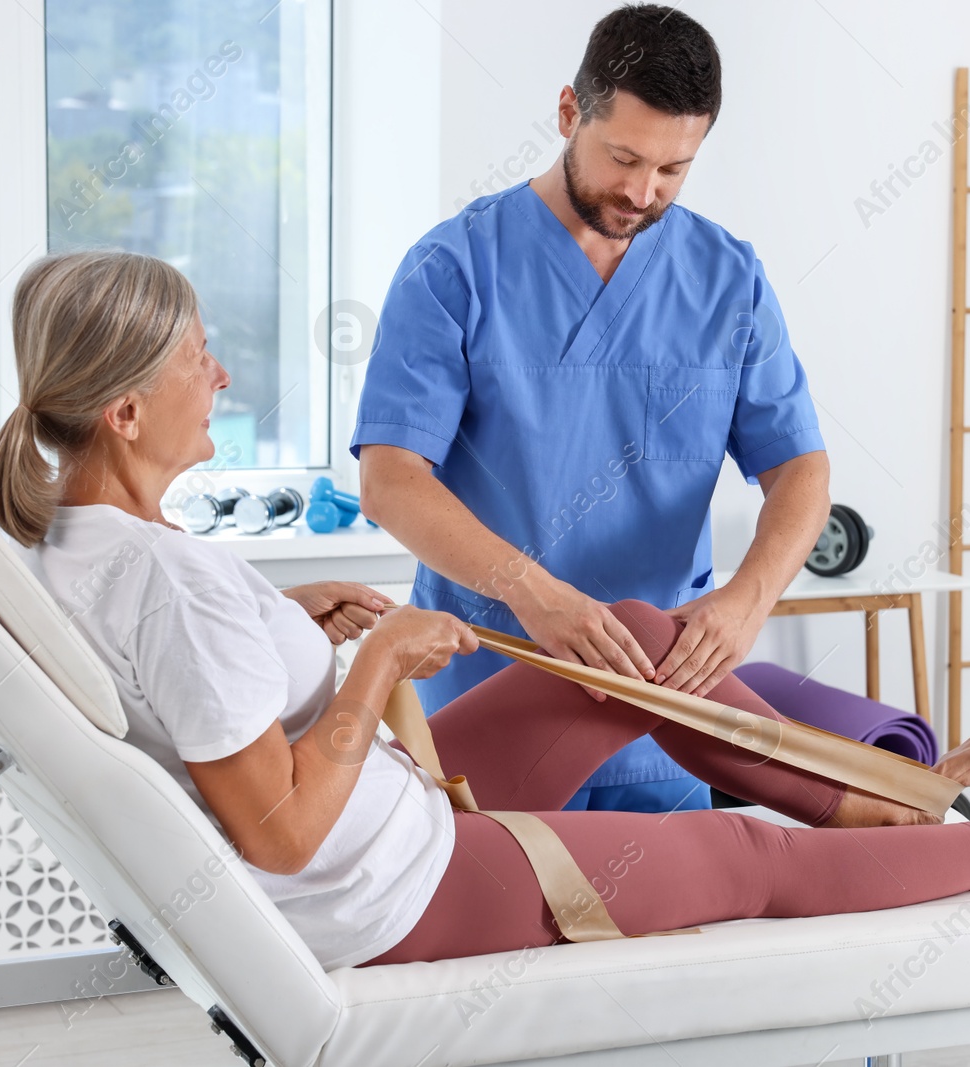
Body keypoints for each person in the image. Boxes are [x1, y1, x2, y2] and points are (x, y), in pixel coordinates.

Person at [0, 250, 970, 970]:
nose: (222, 376)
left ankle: (900, 808)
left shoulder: (100, 544)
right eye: (199, 357)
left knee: (637, 636)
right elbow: (277, 834)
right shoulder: (160, 581)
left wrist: (287, 617)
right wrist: (380, 655)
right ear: (126, 412)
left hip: (387, 814)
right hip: (394, 880)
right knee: (745, 854)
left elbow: (197, 676)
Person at [352, 5, 838, 814]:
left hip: (661, 709)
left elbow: (801, 467)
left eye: (674, 170)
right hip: (485, 691)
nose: (643, 193)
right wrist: (532, 591)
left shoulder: (727, 278)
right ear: (570, 111)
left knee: (666, 933)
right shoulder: (454, 269)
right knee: (495, 922)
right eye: (625, 158)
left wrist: (748, 600)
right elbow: (392, 481)